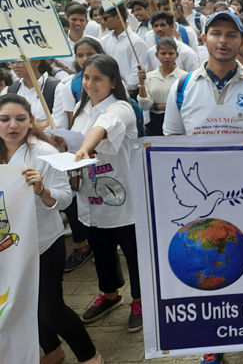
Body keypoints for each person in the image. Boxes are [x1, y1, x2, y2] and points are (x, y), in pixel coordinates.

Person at [162, 9, 243, 364]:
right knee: (212, 269)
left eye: (231, 35)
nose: (223, 41)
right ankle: (213, 339)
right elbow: (172, 139)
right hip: (207, 207)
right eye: (216, 33)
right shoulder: (183, 87)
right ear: (203, 39)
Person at [0, 95, 102, 364]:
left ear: (31, 121)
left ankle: (90, 356)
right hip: (9, 245)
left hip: (44, 241)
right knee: (21, 302)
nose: (13, 125)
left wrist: (41, 189)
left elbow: (65, 197)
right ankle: (52, 351)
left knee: (49, 308)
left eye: (20, 119)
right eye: (4, 119)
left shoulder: (43, 153)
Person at [71, 55, 143, 332]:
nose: (90, 83)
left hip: (122, 197)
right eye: (86, 77)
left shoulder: (122, 108)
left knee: (133, 254)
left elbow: (101, 130)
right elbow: (76, 137)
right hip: (89, 196)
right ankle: (110, 294)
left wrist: (84, 149)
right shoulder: (82, 107)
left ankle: (140, 300)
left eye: (98, 78)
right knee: (101, 251)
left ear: (113, 82)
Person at [51, 38, 105, 271]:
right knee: (79, 197)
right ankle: (86, 243)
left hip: (105, 152)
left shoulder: (112, 82)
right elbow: (72, 122)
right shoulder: (67, 86)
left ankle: (107, 240)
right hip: (79, 152)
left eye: (89, 54)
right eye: (80, 55)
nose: (84, 60)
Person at [137, 37, 186, 136]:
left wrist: (155, 106)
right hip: (154, 122)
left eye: (171, 53)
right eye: (163, 53)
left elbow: (185, 104)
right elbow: (144, 105)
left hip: (178, 122)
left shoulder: (184, 77)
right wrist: (141, 82)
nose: (167, 57)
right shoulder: (149, 77)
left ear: (177, 55)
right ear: (157, 55)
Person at [99, 4, 149, 97]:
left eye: (105, 18)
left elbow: (137, 74)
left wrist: (123, 88)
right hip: (110, 92)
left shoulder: (136, 42)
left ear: (117, 17)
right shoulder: (104, 40)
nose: (103, 21)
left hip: (130, 94)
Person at [7, 59, 59, 129]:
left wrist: (23, 127)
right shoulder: (10, 90)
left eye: (20, 61)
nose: (15, 66)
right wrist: (39, 124)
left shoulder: (56, 87)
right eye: (12, 62)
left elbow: (58, 123)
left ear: (36, 62)